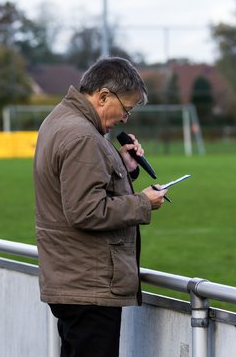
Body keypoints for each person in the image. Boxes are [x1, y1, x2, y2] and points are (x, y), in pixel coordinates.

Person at [33, 56, 167, 357]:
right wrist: (143, 203)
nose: (125, 119)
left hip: (72, 279)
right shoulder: (82, 136)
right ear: (104, 95)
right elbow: (85, 211)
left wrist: (123, 166)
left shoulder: (60, 119)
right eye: (127, 108)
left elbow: (77, 186)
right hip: (89, 285)